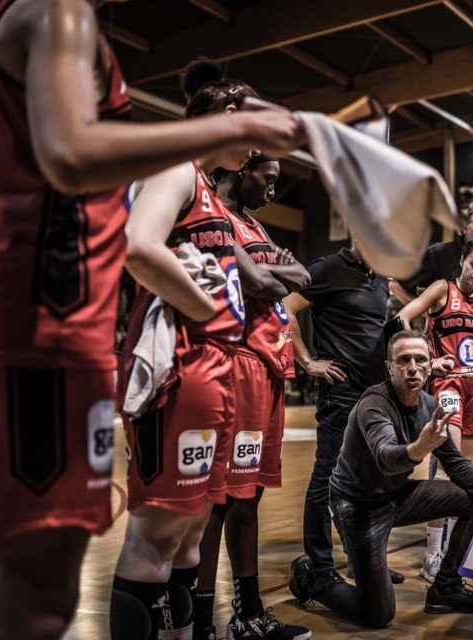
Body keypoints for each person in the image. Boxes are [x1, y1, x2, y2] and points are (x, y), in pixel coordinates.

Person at [0, 2, 302, 637]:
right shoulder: (57, 11)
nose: (256, 150)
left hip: (48, 318)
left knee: (152, 547)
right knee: (39, 589)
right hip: (37, 320)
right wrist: (204, 307)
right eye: (249, 131)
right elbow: (77, 158)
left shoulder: (61, 28)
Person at [112, 59, 303, 640]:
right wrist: (200, 304)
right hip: (183, 362)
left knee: (194, 530)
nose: (253, 154)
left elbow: (269, 278)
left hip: (218, 365)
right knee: (157, 532)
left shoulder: (212, 195)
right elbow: (136, 246)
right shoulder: (173, 167)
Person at [288, 330, 473, 628]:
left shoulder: (430, 405)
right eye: (404, 360)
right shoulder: (374, 403)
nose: (412, 367)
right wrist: (420, 448)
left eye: (420, 360)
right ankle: (313, 579)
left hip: (396, 496)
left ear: (430, 364)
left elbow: (455, 462)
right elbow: (385, 456)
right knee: (378, 615)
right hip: (357, 506)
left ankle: (445, 589)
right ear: (389, 367)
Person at [192, 154, 311, 640]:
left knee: (251, 496)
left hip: (270, 369)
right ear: (241, 169)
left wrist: (282, 277)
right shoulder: (217, 221)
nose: (273, 189)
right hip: (236, 367)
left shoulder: (254, 226)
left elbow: (303, 279)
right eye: (268, 177)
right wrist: (279, 277)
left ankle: (247, 613)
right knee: (219, 499)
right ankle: (199, 619)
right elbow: (266, 283)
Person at [283, 243, 407, 592]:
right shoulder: (329, 267)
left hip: (374, 395)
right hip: (340, 393)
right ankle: (320, 566)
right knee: (327, 477)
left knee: (368, 482)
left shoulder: (381, 277)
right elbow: (286, 308)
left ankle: (362, 562)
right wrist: (307, 362)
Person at [396, 239, 473, 580]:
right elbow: (403, 316)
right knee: (448, 469)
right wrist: (427, 358)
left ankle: (453, 552)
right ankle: (432, 552)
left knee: (469, 473)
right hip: (448, 384)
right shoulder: (443, 289)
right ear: (462, 260)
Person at [392, 197, 473, 478]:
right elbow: (397, 290)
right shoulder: (440, 262)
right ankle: (438, 520)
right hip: (448, 378)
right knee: (445, 453)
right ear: (465, 228)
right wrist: (423, 350)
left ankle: (470, 517)